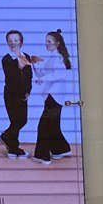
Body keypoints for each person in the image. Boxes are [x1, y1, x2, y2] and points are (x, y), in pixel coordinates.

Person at [31, 30, 75, 164]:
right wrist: (34, 64)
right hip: (53, 95)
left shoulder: (59, 58)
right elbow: (43, 74)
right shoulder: (53, 57)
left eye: (49, 41)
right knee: (53, 125)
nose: (46, 44)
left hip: (54, 95)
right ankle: (61, 149)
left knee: (44, 125)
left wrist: (43, 78)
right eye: (46, 41)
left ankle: (42, 155)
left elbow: (59, 75)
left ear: (57, 43)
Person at [0, 30, 33, 158]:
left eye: (15, 40)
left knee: (22, 121)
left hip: (23, 95)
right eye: (10, 41)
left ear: (21, 42)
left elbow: (29, 76)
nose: (13, 43)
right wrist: (18, 66)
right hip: (11, 94)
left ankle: (10, 144)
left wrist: (28, 91)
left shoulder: (26, 56)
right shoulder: (6, 59)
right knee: (15, 121)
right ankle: (12, 146)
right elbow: (11, 77)